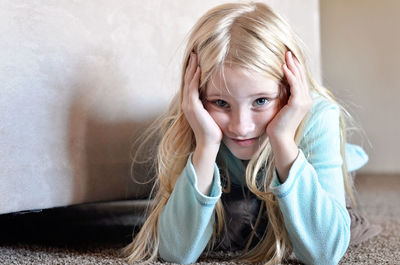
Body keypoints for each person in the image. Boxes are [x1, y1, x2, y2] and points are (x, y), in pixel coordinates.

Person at [122, 2, 380, 265]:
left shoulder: (318, 118)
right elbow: (176, 252)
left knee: (320, 221)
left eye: (260, 101)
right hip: (236, 183)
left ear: (289, 89)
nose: (241, 127)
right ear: (197, 97)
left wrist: (282, 141)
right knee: (238, 223)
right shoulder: (194, 119)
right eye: (221, 103)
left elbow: (324, 254)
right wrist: (206, 145)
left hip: (307, 162)